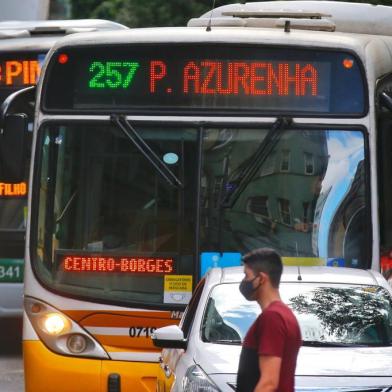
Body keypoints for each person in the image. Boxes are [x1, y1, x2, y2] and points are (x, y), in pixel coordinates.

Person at [236, 248, 302, 392]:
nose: (244, 282)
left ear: (261, 279)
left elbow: (269, 383)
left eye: (247, 276)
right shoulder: (284, 314)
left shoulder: (273, 318)